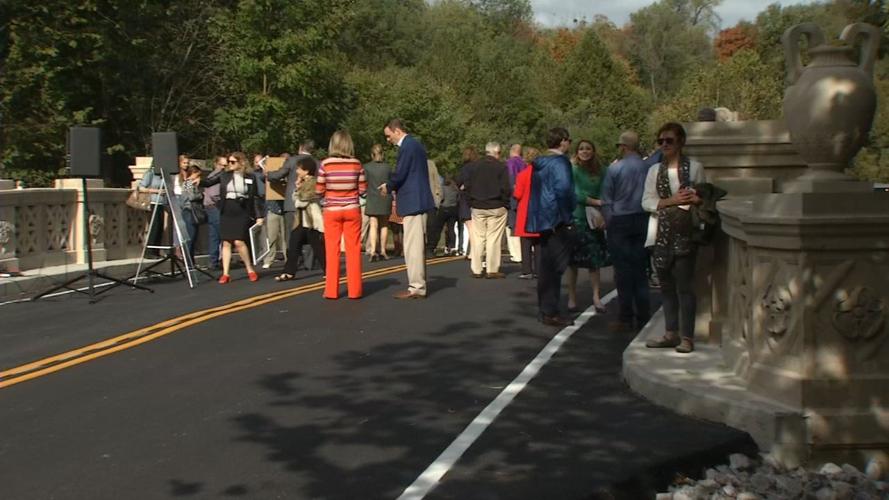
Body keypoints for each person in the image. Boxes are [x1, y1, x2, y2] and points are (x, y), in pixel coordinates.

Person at [642, 122, 705, 353]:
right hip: (660, 231)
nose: (665, 145)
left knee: (685, 286)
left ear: (681, 142)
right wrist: (671, 201)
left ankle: (687, 337)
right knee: (666, 286)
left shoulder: (695, 168)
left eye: (669, 140)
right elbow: (646, 201)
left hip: (686, 231)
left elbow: (704, 196)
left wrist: (697, 200)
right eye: (661, 141)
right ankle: (670, 332)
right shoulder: (653, 171)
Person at [601, 131, 652, 333]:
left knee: (622, 271)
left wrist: (608, 221)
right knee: (640, 269)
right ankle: (643, 316)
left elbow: (607, 199)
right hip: (642, 218)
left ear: (623, 147)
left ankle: (625, 316)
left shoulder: (615, 169)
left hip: (620, 220)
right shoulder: (648, 168)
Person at [380, 119, 436, 299]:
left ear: (397, 131)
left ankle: (416, 287)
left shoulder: (407, 147)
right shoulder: (416, 145)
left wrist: (388, 186)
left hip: (413, 202)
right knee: (415, 246)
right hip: (418, 200)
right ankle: (417, 284)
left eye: (388, 136)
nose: (388, 140)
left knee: (412, 246)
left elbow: (401, 173)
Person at [527, 127, 576, 327]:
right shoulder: (560, 163)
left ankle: (546, 309)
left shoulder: (539, 164)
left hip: (542, 220)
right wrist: (568, 216)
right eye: (569, 140)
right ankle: (551, 311)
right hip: (556, 220)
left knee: (545, 268)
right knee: (556, 267)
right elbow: (563, 190)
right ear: (563, 141)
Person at [316, 130, 366, 300]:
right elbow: (363, 191)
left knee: (332, 250)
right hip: (352, 209)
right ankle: (355, 291)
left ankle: (331, 290)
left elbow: (319, 190)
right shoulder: (357, 164)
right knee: (353, 250)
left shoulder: (326, 164)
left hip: (331, 211)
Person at [201, 152, 265, 284]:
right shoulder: (224, 175)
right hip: (227, 210)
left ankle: (250, 269)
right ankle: (225, 273)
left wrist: (259, 216)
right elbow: (208, 182)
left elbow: (254, 198)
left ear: (241, 162)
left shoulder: (250, 177)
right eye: (229, 162)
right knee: (226, 242)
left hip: (241, 210)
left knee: (239, 241)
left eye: (232, 162)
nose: (229, 164)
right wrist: (191, 182)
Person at [566, 140, 609, 313]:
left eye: (588, 148)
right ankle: (571, 297)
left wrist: (601, 206)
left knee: (594, 262)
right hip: (577, 218)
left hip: (595, 218)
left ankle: (596, 297)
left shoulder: (602, 169)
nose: (585, 151)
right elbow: (574, 193)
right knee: (573, 262)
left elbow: (606, 189)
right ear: (577, 152)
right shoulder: (573, 170)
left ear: (593, 151)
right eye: (581, 149)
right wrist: (594, 200)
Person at [464, 141, 510, 278]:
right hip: (496, 205)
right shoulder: (501, 167)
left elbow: (467, 186)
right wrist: (505, 203)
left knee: (478, 238)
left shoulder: (474, 167)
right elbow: (506, 188)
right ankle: (492, 269)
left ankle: (477, 269)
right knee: (493, 238)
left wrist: (470, 202)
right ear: (497, 152)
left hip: (478, 206)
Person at [275, 157, 325, 281]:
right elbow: (296, 199)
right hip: (301, 220)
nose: (297, 171)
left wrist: (297, 194)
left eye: (299, 168)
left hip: (311, 221)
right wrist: (297, 188)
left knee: (317, 247)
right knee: (293, 245)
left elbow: (303, 201)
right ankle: (289, 271)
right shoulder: (303, 182)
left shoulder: (313, 182)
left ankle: (329, 270)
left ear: (306, 170)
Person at [513, 147, 540, 279]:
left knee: (526, 244)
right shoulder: (543, 175)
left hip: (525, 210)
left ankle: (527, 270)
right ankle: (539, 270)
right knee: (539, 243)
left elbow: (518, 194)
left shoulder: (522, 175)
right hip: (539, 211)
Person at [363, 144, 392, 261]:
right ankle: (383, 251)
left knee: (373, 224)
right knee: (384, 225)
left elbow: (364, 182)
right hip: (385, 197)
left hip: (372, 197)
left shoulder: (367, 167)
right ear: (382, 154)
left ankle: (373, 250)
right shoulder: (388, 167)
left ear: (372, 154)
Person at [137, 164, 168, 258]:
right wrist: (156, 191)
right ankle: (149, 252)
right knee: (154, 227)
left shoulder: (165, 175)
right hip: (152, 202)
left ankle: (156, 251)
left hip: (161, 203)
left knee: (159, 228)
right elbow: (141, 187)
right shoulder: (150, 173)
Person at [203, 156, 225, 269]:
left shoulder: (210, 176)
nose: (224, 168)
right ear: (216, 164)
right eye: (223, 165)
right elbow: (214, 194)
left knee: (214, 235)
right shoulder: (216, 176)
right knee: (220, 234)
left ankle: (214, 260)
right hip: (214, 207)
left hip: (208, 206)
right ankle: (218, 259)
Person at [456, 147, 479, 257]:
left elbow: (459, 182)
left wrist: (463, 186)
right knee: (477, 228)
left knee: (471, 228)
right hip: (478, 199)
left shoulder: (465, 169)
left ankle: (475, 252)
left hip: (466, 199)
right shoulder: (479, 167)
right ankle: (473, 251)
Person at [505, 143, 525, 263]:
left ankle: (516, 254)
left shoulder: (510, 163)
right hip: (524, 198)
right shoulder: (524, 163)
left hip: (513, 198)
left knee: (511, 226)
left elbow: (510, 181)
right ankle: (523, 252)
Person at [439, 175, 460, 255]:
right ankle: (453, 246)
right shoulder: (455, 188)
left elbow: (442, 197)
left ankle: (443, 246)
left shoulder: (443, 187)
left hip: (444, 208)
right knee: (451, 228)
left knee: (441, 228)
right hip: (453, 209)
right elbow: (458, 199)